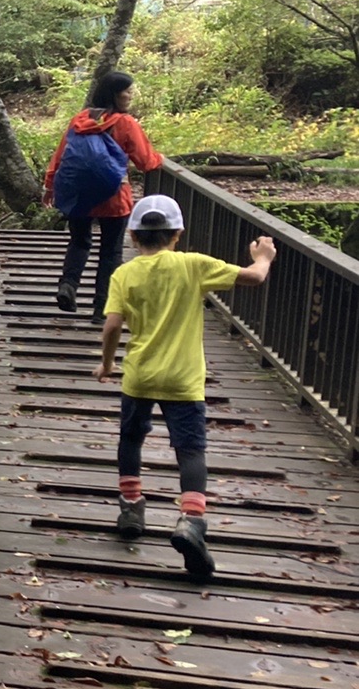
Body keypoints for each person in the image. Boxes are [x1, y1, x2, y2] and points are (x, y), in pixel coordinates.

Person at [94, 194, 275, 576]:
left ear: (131, 236)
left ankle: (131, 508)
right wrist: (263, 257)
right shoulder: (193, 265)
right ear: (177, 234)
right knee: (190, 450)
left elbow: (111, 326)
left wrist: (108, 365)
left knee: (131, 439)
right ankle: (191, 520)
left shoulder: (124, 274)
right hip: (183, 379)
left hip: (140, 374)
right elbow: (255, 277)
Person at [43, 71, 163, 322]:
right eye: (126, 91)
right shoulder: (125, 124)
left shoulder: (80, 119)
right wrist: (159, 159)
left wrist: (50, 186)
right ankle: (101, 309)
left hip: (79, 196)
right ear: (114, 94)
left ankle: (68, 285)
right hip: (114, 198)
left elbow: (61, 155)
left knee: (79, 241)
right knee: (110, 251)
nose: (130, 95)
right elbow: (145, 162)